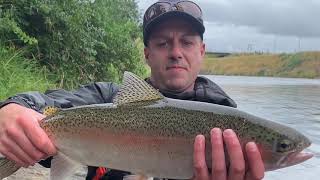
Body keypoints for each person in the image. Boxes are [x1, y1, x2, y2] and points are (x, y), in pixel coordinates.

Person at [0, 0, 265, 179]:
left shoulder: (226, 124)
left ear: (202, 51)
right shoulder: (108, 98)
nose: (175, 53)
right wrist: (12, 109)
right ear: (147, 54)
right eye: (162, 43)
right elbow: (46, 103)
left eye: (186, 42)